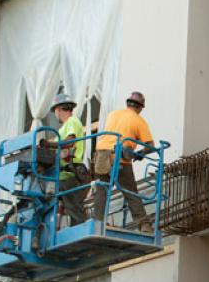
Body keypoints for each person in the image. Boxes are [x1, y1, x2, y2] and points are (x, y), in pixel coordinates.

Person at [92, 90, 155, 228]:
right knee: (130, 192)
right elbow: (150, 146)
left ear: (128, 103)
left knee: (102, 189)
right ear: (139, 107)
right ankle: (143, 225)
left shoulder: (113, 114)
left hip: (101, 154)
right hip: (119, 157)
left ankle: (97, 222)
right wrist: (140, 154)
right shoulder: (138, 119)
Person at [51, 92, 90, 225]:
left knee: (74, 208)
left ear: (58, 109)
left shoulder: (73, 121)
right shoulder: (63, 128)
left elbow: (69, 141)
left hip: (71, 173)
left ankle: (80, 230)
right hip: (62, 174)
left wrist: (50, 144)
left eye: (55, 111)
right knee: (65, 206)